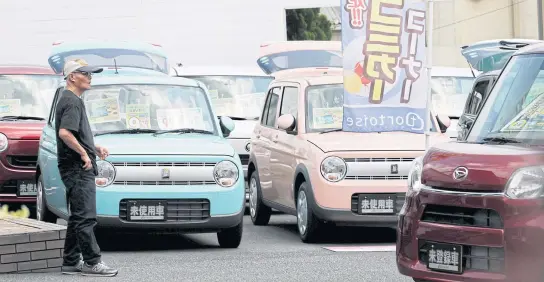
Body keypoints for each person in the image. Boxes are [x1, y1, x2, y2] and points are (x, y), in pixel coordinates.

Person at [56, 59, 118, 277]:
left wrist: (93, 147)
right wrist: (84, 153)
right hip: (77, 167)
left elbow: (73, 133)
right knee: (86, 217)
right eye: (86, 73)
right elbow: (65, 133)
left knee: (77, 216)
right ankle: (92, 262)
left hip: (72, 166)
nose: (90, 77)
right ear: (73, 76)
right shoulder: (72, 101)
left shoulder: (69, 98)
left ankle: (71, 261)